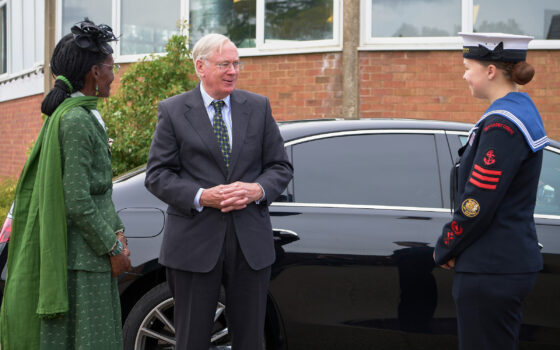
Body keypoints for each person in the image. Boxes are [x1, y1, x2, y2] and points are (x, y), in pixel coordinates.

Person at [144, 33, 293, 349]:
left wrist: (257, 189)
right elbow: (157, 175)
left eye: (237, 64)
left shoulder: (258, 107)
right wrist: (201, 196)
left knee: (251, 340)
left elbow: (281, 168)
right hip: (194, 245)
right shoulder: (172, 111)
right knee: (192, 340)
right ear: (200, 67)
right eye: (224, 64)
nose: (233, 71)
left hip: (249, 245)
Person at [0, 18, 131, 349]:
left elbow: (98, 193)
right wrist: (112, 246)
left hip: (89, 255)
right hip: (82, 261)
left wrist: (117, 232)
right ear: (94, 73)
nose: (115, 76)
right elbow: (77, 199)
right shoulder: (75, 121)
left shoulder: (83, 116)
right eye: (111, 67)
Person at [434, 32, 547, 350]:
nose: (464, 75)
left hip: (491, 266)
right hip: (502, 262)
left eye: (468, 66)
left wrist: (447, 245)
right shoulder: (518, 111)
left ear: (491, 71)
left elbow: (477, 201)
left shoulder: (503, 124)